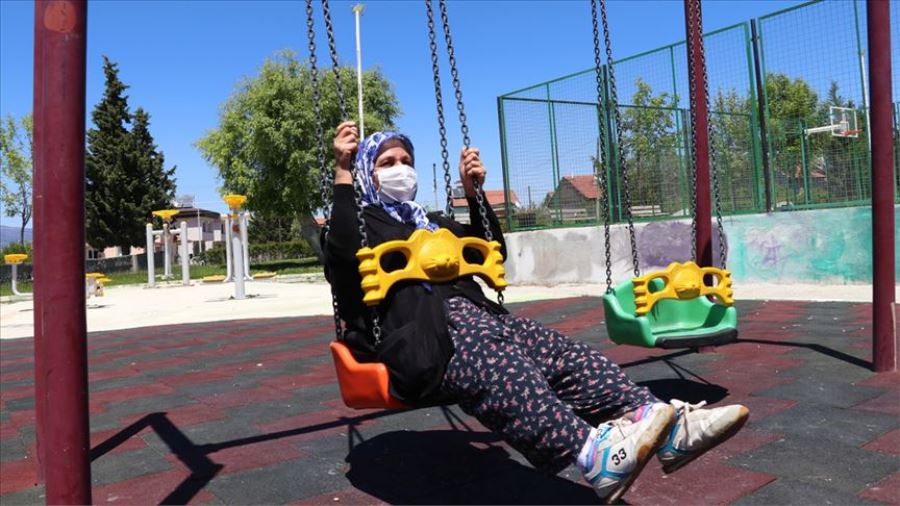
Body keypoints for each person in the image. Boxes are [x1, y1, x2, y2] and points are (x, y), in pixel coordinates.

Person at [323, 121, 749, 503]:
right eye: (387, 163)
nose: (400, 169)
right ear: (366, 175)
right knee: (495, 357)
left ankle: (665, 425)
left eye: (406, 160)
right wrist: (343, 172)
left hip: (480, 322)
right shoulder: (361, 222)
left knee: (561, 352)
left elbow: (493, 249)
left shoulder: (433, 223)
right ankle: (590, 453)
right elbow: (340, 253)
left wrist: (473, 194)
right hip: (420, 340)